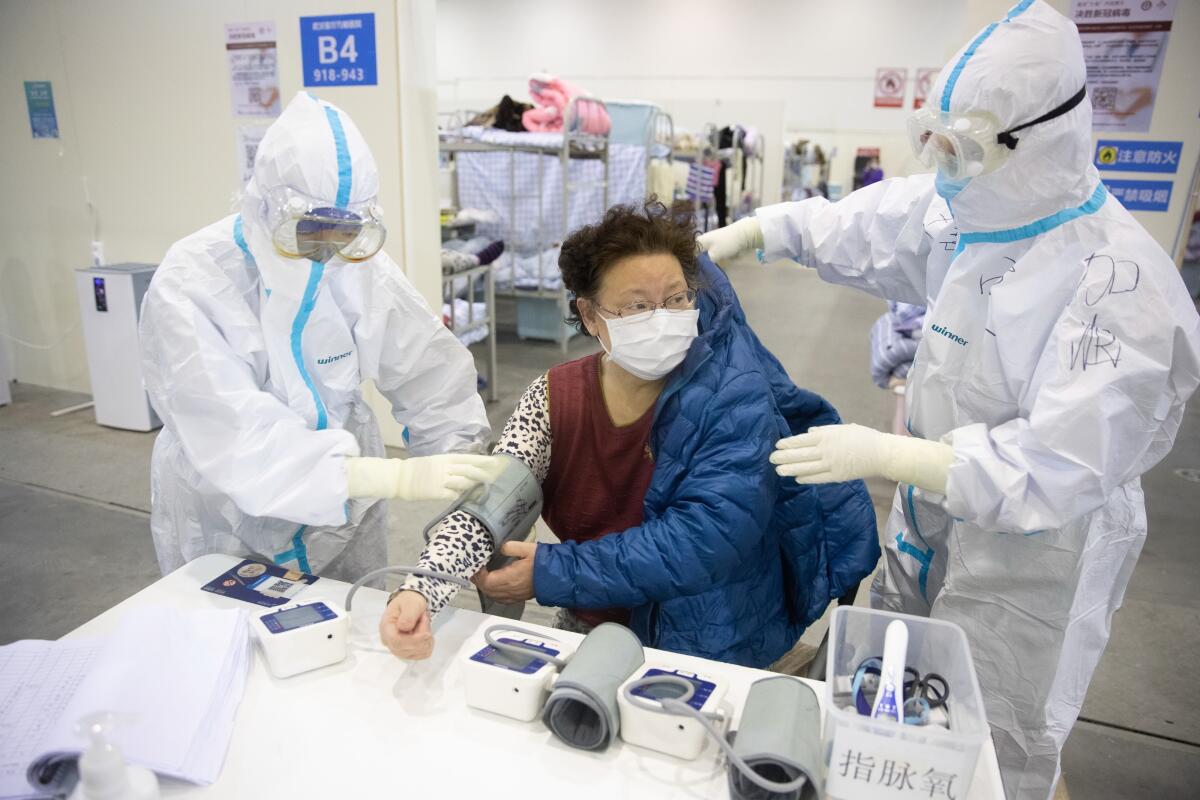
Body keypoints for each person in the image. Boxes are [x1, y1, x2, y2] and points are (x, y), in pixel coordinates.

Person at [698, 2, 1200, 798]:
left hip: (1037, 557)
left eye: (962, 149)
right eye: (935, 141)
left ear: (1039, 138)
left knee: (993, 731)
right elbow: (867, 225)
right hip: (933, 511)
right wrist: (759, 231)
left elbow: (1056, 468)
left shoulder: (1122, 287)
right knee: (890, 684)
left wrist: (887, 453)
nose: (943, 169)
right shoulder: (977, 209)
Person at [378, 200, 879, 667]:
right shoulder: (555, 398)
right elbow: (490, 502)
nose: (662, 318)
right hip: (590, 620)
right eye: (638, 307)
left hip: (711, 634)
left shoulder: (731, 396)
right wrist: (422, 590)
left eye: (676, 298)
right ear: (591, 315)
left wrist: (553, 573)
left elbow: (702, 540)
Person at [140, 93, 501, 582]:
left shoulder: (357, 267)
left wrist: (464, 467)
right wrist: (385, 476)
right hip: (227, 511)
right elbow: (231, 430)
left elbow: (425, 368)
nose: (328, 245)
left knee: (355, 627)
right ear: (266, 204)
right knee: (232, 639)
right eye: (311, 226)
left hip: (344, 513)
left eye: (345, 229)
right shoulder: (193, 279)